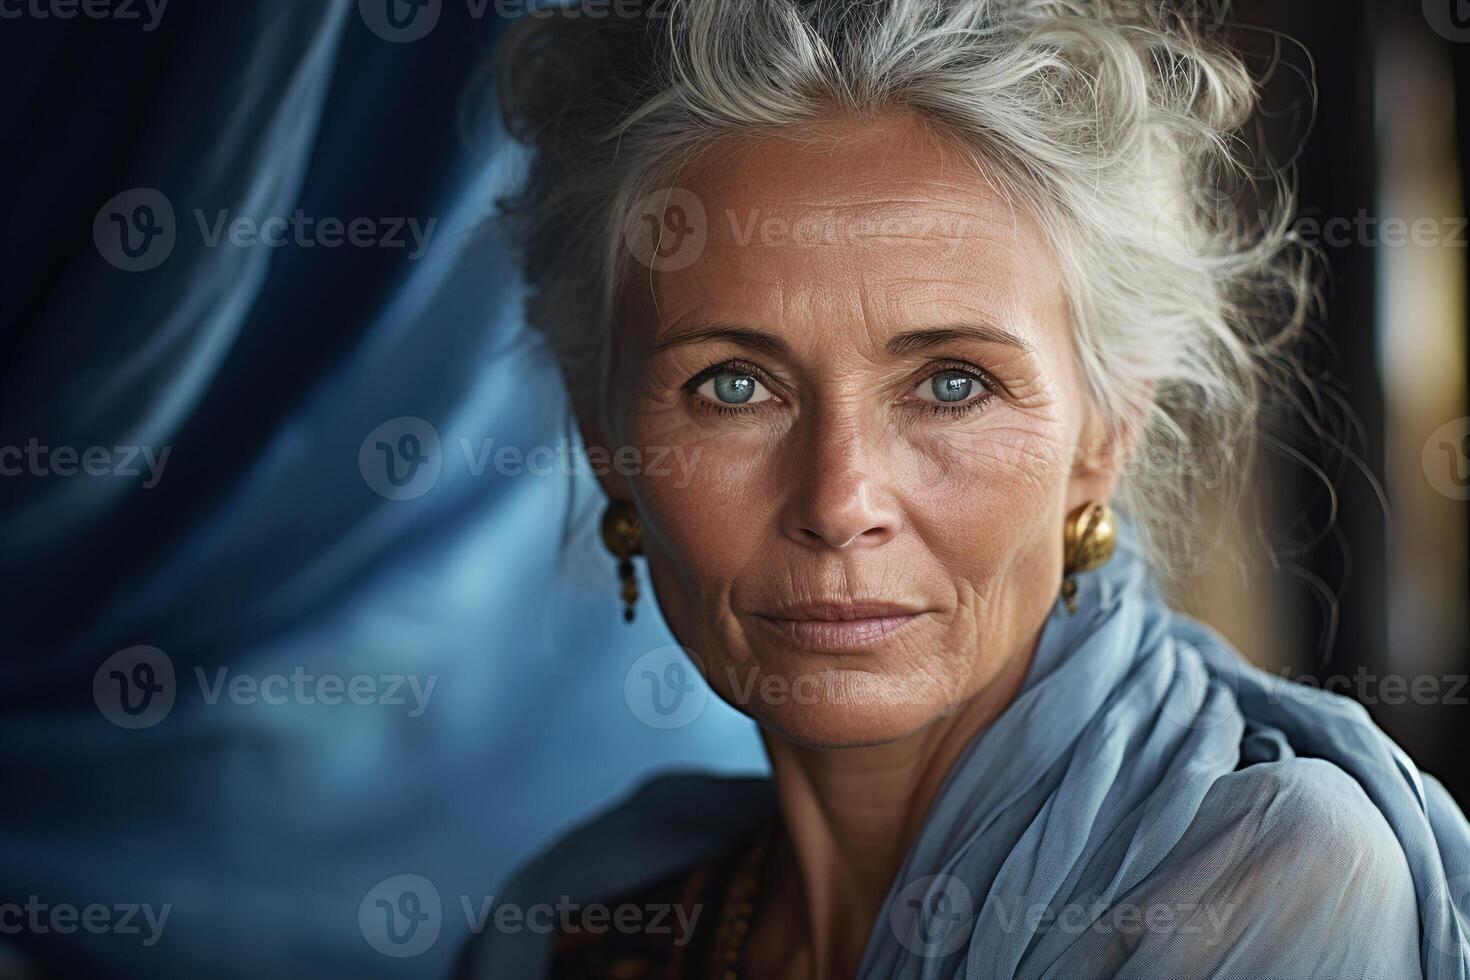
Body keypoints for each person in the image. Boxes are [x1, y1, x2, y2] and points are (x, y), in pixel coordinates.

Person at [457, 1, 1470, 976]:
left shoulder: (1261, 883)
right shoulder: (576, 925)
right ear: (604, 439)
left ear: (1106, 430)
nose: (840, 498)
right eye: (734, 385)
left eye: (953, 383)